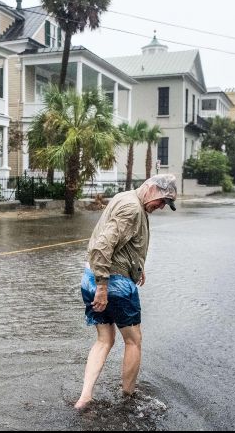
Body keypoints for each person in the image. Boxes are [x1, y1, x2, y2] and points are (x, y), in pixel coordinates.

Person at [75, 174, 177, 410]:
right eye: (162, 201)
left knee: (104, 339)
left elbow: (125, 242)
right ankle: (128, 397)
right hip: (112, 283)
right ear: (151, 189)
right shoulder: (132, 209)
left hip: (89, 278)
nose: (161, 207)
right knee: (133, 341)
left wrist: (137, 268)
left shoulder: (126, 197)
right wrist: (103, 287)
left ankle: (85, 396)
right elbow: (103, 246)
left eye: (165, 204)